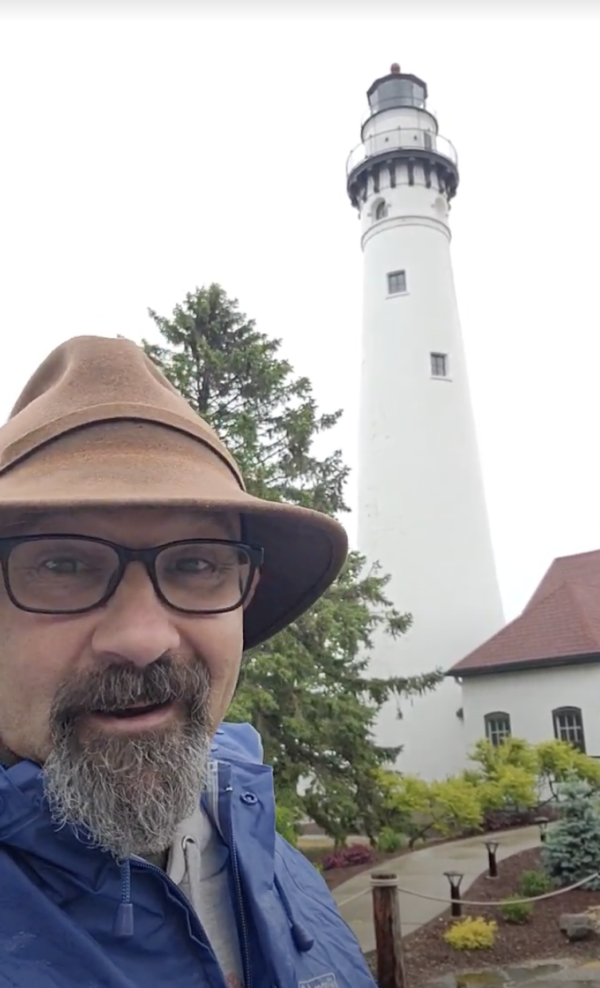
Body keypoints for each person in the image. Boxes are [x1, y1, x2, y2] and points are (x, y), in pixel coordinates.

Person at [0, 335, 377, 988]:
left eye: (196, 563)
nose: (144, 638)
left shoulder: (273, 860)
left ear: (244, 598)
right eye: (63, 564)